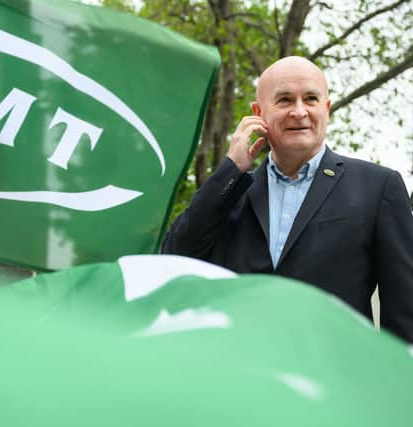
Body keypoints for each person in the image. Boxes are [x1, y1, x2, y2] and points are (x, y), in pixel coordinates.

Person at [162, 56, 413, 343]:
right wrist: (230, 168)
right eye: (284, 100)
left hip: (335, 377)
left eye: (311, 99)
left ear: (326, 109)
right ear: (259, 112)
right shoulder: (230, 192)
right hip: (239, 374)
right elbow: (173, 258)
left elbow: (405, 310)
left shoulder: (379, 187)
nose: (299, 111)